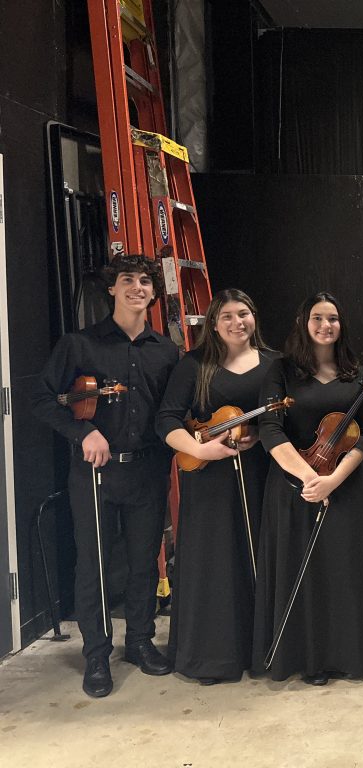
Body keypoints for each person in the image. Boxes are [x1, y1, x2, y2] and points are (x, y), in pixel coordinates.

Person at [33, 254, 179, 698]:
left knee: (142, 562)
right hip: (96, 472)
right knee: (93, 564)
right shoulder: (80, 345)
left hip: (149, 470)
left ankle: (139, 640)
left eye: (145, 282)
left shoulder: (167, 351)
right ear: (112, 289)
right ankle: (96, 652)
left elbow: (172, 411)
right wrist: (84, 432)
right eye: (128, 281)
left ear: (155, 293)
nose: (138, 288)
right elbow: (44, 400)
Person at [253, 292, 363, 685]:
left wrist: (333, 480)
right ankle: (305, 658)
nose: (327, 326)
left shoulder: (359, 375)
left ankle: (344, 655)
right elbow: (269, 428)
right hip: (293, 487)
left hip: (344, 487)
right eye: (318, 318)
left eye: (334, 319)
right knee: (300, 574)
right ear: (304, 323)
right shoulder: (282, 371)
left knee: (339, 572)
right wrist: (309, 477)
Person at [156, 289, 278, 685]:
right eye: (225, 316)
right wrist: (201, 450)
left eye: (243, 313)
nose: (235, 322)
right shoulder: (194, 364)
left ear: (254, 316)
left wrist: (260, 435)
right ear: (213, 323)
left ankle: (266, 652)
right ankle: (213, 657)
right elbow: (168, 420)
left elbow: (286, 422)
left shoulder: (276, 364)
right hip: (209, 480)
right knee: (216, 564)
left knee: (260, 556)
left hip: (262, 475)